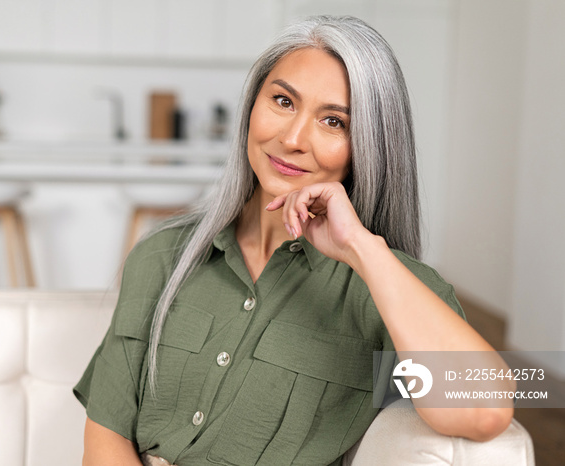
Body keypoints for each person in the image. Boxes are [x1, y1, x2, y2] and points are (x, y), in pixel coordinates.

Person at [74, 15, 514, 465]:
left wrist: (360, 248)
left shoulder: (385, 289)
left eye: (333, 122)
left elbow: (484, 410)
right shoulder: (163, 255)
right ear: (252, 105)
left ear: (369, 145)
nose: (292, 138)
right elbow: (106, 435)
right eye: (283, 101)